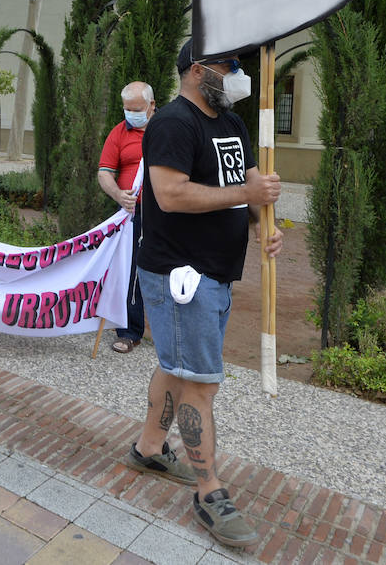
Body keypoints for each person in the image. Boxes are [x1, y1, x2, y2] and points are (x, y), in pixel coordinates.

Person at [124, 41, 281, 549]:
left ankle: (149, 448)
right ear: (198, 70)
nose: (237, 74)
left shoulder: (232, 124)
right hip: (180, 277)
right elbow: (169, 194)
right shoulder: (173, 123)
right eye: (229, 66)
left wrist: (264, 224)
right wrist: (246, 198)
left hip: (214, 273)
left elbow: (250, 184)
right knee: (199, 382)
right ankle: (209, 490)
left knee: (177, 365)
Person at [98, 80, 156, 354]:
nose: (130, 114)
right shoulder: (119, 133)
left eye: (136, 109)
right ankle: (130, 331)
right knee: (131, 269)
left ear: (151, 106)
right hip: (133, 211)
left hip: (167, 212)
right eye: (126, 109)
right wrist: (119, 195)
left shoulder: (167, 129)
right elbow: (104, 173)